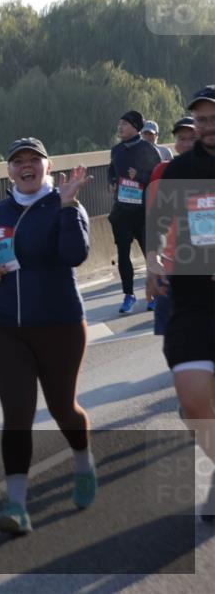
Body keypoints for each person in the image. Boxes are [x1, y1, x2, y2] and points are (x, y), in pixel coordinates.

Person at [0, 138, 96, 535]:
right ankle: (17, 504)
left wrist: (68, 205)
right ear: (9, 171)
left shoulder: (64, 204)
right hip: (5, 326)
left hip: (59, 324)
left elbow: (75, 254)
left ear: (47, 166)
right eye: (17, 161)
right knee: (18, 415)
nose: (26, 166)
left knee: (64, 409)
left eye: (33, 160)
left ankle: (81, 459)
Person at [146, 86, 215, 523]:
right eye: (202, 120)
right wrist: (153, 264)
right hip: (191, 301)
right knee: (193, 400)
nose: (208, 127)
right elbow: (160, 225)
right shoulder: (180, 169)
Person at [107, 110, 164, 313]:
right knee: (123, 255)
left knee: (151, 256)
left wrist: (139, 175)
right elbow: (111, 171)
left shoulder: (148, 149)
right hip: (122, 211)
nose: (119, 127)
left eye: (124, 124)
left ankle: (155, 296)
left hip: (144, 213)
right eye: (119, 124)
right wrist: (113, 182)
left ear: (135, 127)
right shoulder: (116, 150)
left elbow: (159, 178)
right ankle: (128, 295)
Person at [146, 117, 198, 333]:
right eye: (181, 138)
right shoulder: (163, 171)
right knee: (174, 343)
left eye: (191, 138)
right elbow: (154, 220)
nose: (185, 144)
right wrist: (152, 263)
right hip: (171, 268)